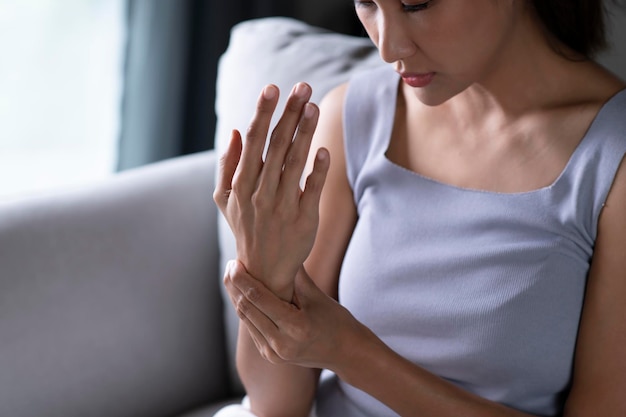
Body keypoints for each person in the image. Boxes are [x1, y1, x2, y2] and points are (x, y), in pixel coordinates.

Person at [213, 0, 626, 416]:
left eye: (416, 4)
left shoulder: (613, 159)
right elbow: (274, 405)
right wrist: (264, 273)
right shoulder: (355, 117)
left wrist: (350, 353)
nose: (388, 47)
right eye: (367, 3)